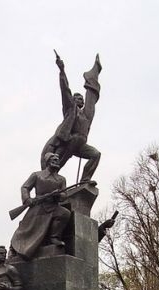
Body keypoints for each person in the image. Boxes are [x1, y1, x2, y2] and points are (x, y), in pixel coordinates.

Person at [41, 53, 102, 183]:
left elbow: (91, 100)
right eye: (78, 98)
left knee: (95, 155)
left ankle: (85, 180)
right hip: (68, 142)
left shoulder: (86, 115)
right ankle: (46, 186)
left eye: (81, 98)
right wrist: (62, 71)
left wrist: (94, 74)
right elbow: (65, 90)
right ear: (73, 100)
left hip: (80, 144)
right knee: (55, 165)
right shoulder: (70, 108)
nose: (81, 100)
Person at [10, 152, 70, 260]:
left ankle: (54, 237)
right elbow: (25, 187)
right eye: (53, 159)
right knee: (25, 229)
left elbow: (65, 195)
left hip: (53, 205)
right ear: (47, 162)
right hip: (38, 205)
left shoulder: (61, 179)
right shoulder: (37, 175)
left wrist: (59, 195)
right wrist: (27, 199)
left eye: (57, 159)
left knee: (65, 213)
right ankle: (14, 247)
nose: (56, 161)